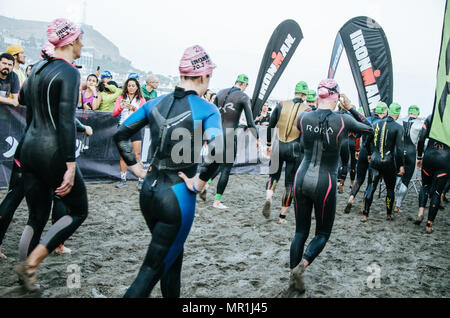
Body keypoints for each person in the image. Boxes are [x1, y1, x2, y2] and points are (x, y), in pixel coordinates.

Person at [114, 44, 223, 298]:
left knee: (172, 259)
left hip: (148, 192)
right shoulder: (207, 109)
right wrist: (200, 180)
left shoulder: (154, 103)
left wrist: (137, 170)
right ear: (204, 76)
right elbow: (219, 148)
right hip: (177, 198)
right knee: (149, 273)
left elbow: (121, 134)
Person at [13, 18, 88, 291]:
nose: (83, 44)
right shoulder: (69, 72)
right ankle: (31, 265)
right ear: (70, 41)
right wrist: (70, 164)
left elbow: (22, 100)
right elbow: (66, 121)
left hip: (28, 148)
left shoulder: (36, 69)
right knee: (79, 211)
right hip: (53, 152)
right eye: (80, 39)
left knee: (36, 215)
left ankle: (23, 277)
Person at [289, 79, 373, 293]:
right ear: (336, 97)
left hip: (301, 177)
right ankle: (303, 265)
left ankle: (292, 276)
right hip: (325, 181)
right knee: (323, 233)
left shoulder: (303, 116)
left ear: (318, 96)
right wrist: (351, 107)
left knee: (300, 231)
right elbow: (370, 128)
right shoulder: (344, 120)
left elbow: (301, 143)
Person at [208, 74, 260, 209]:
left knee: (215, 164)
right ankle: (217, 201)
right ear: (244, 85)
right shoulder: (243, 97)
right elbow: (250, 123)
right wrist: (258, 138)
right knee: (225, 169)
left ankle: (206, 185)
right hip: (230, 136)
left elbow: (211, 115)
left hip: (215, 135)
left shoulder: (220, 92)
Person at [263, 81, 310, 223]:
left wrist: (269, 144)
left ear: (295, 91)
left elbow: (271, 125)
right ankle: (282, 216)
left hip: (278, 145)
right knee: (289, 183)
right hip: (294, 148)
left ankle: (269, 196)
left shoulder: (281, 104)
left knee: (273, 176)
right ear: (305, 95)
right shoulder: (307, 111)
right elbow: (304, 135)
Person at [361, 102, 405, 222]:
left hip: (375, 160)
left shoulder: (376, 124)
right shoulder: (398, 127)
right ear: (398, 113)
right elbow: (400, 149)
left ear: (388, 111)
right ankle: (389, 214)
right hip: (388, 162)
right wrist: (401, 165)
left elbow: (366, 142)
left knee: (371, 186)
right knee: (390, 188)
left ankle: (365, 214)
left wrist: (370, 154)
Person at [344, 102, 388, 213]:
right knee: (370, 182)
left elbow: (358, 135)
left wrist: (357, 150)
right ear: (385, 111)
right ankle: (364, 205)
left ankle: (351, 198)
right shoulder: (383, 123)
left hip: (363, 151)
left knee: (359, 178)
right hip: (374, 153)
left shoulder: (367, 119)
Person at [415, 114, 449, 233]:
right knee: (437, 192)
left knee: (425, 186)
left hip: (429, 155)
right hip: (445, 158)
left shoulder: (432, 116)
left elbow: (421, 138)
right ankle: (429, 224)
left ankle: (421, 212)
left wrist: (419, 156)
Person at [113, 77, 146, 189]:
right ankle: (123, 179)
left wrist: (133, 107)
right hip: (123, 128)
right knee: (123, 155)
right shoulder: (121, 98)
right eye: (129, 85)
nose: (131, 87)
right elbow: (114, 114)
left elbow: (144, 114)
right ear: (126, 87)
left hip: (136, 127)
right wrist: (121, 108)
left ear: (137, 87)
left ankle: (140, 180)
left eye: (133, 85)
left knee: (137, 155)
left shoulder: (141, 99)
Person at [393, 105, 423, 212]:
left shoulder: (399, 121)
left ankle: (390, 199)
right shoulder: (420, 124)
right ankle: (398, 205)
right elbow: (421, 141)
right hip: (411, 153)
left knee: (396, 177)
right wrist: (420, 157)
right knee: (405, 181)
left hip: (399, 152)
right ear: (417, 113)